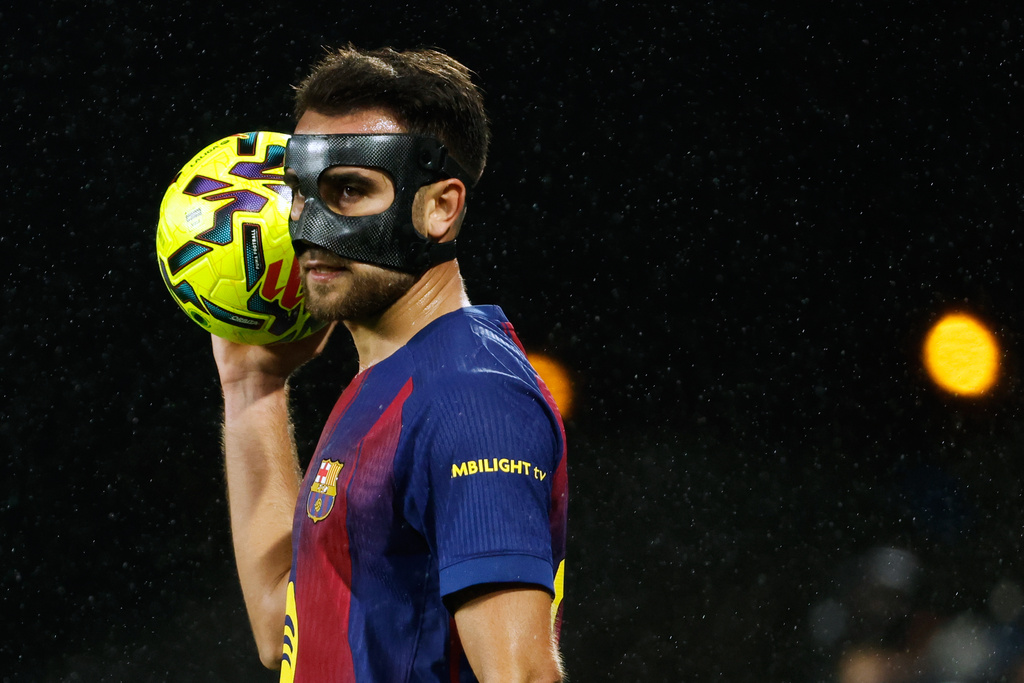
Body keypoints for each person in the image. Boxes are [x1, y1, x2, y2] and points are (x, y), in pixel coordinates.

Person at [211, 45, 568, 683]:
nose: (310, 226)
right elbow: (281, 629)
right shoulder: (390, 382)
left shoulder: (470, 397)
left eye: (349, 190)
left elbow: (524, 676)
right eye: (299, 192)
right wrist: (253, 389)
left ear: (441, 208)